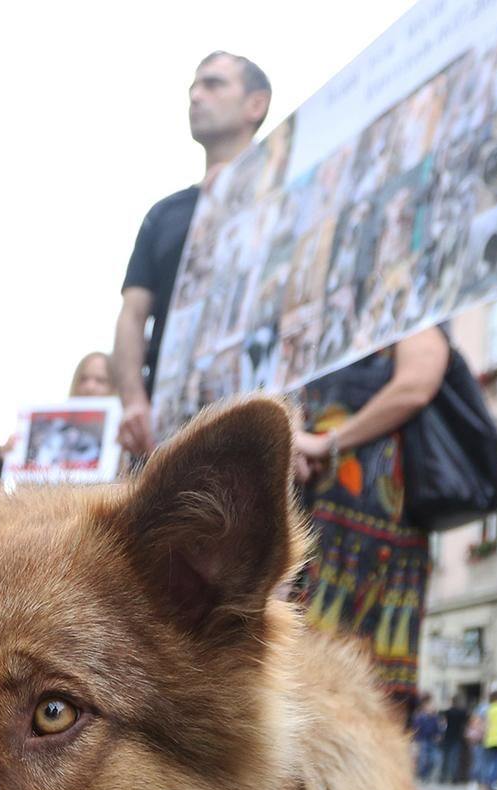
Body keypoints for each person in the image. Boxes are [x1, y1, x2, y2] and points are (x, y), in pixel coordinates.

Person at [114, 52, 272, 460]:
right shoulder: (165, 214)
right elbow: (133, 314)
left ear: (256, 104)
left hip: (257, 422)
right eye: (193, 87)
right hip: (167, 431)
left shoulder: (285, 195)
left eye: (213, 84)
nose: (196, 96)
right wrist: (134, 401)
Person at [291, 327, 451, 715]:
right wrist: (294, 435)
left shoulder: (412, 318)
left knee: (369, 683)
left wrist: (324, 442)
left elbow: (415, 388)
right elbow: (296, 394)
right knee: (298, 669)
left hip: (375, 520)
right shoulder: (333, 325)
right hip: (317, 509)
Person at [410, 693, 443, 782]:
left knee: (434, 759)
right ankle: (422, 776)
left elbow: (438, 728)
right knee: (423, 760)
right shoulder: (419, 717)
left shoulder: (435, 718)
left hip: (432, 741)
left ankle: (427, 775)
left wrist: (438, 735)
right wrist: (415, 741)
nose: (432, 707)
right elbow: (415, 729)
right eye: (430, 705)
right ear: (425, 706)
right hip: (422, 740)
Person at [439, 695, 471, 785]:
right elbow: (467, 720)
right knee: (455, 759)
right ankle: (454, 778)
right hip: (457, 737)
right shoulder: (462, 712)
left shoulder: (447, 712)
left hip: (448, 737)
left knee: (446, 758)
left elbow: (441, 719)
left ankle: (443, 777)